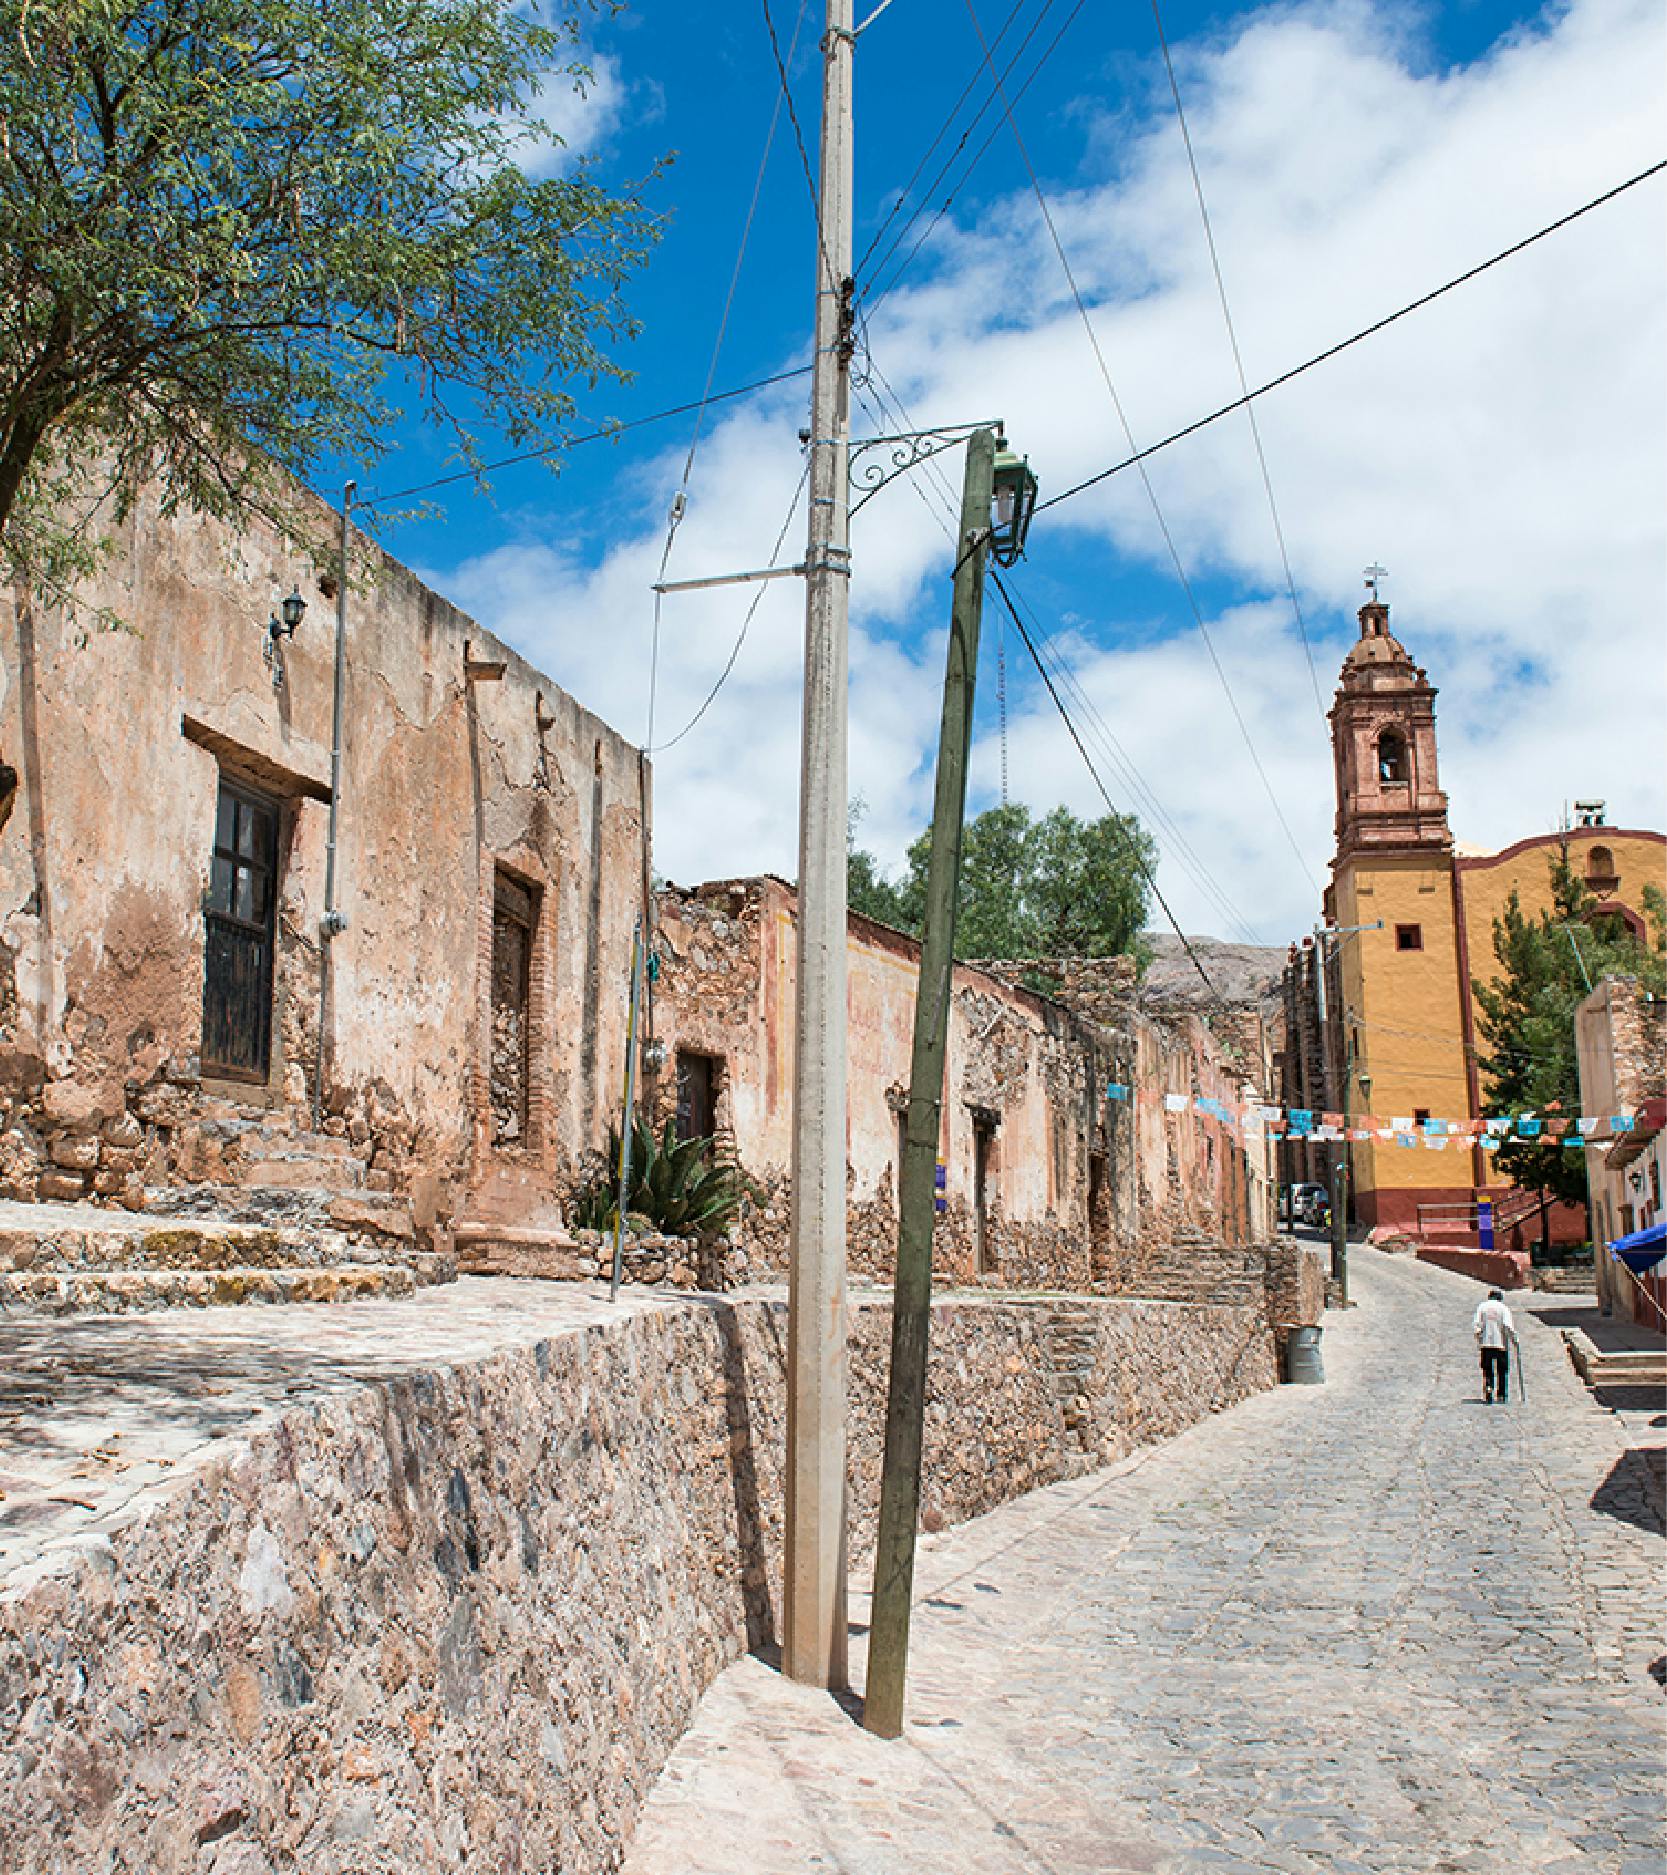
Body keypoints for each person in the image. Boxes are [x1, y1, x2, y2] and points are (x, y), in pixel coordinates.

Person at [1473, 1289, 1518, 1403]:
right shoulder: (1503, 1308)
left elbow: (1477, 1324)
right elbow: (1508, 1326)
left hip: (1486, 1343)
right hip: (1500, 1344)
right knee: (1502, 1370)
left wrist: (1478, 1336)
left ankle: (1489, 1387)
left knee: (1487, 1368)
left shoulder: (1482, 1307)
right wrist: (1515, 1340)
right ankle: (1501, 1394)